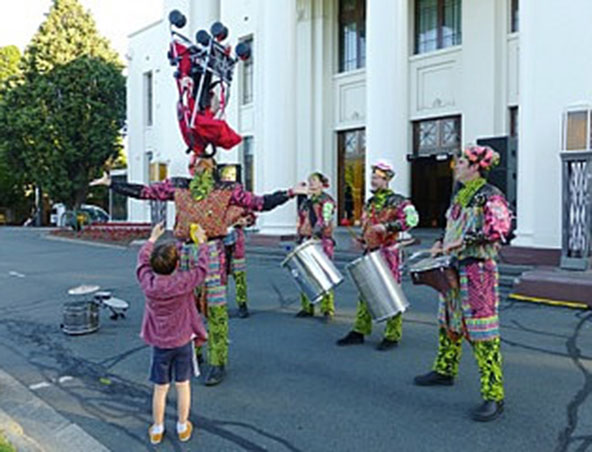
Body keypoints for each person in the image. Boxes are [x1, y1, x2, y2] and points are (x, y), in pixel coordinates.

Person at [92, 156, 306, 386]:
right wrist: (112, 183)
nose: (201, 168)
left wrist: (291, 192)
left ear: (213, 169)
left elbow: (261, 203)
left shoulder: (228, 189)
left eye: (206, 165)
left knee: (215, 309)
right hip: (184, 252)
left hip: (212, 250)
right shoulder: (179, 185)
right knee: (187, 306)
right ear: (191, 169)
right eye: (197, 165)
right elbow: (145, 192)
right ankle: (194, 351)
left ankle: (218, 360)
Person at [413, 145, 512, 422]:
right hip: (452, 267)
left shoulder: (490, 195)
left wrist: (464, 241)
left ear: (475, 167)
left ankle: (494, 395)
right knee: (447, 322)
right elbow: (451, 230)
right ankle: (445, 370)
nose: (455, 166)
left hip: (477, 270)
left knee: (483, 331)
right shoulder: (459, 196)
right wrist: (439, 243)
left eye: (460, 162)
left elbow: (500, 229)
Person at [136, 222, 208, 445]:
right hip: (183, 341)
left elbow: (141, 263)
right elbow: (203, 269)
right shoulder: (182, 282)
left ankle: (157, 428)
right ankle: (182, 425)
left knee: (160, 387)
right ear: (178, 264)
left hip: (160, 343)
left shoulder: (148, 283)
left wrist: (151, 239)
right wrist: (202, 243)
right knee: (183, 384)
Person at [337, 160, 419, 351]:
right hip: (370, 252)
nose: (373, 180)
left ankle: (392, 334)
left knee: (391, 292)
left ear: (387, 179)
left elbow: (413, 219)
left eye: (377, 177)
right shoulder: (370, 203)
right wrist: (362, 239)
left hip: (388, 253)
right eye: (372, 177)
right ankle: (360, 329)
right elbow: (368, 225)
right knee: (365, 291)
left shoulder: (399, 201)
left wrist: (388, 227)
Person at [294, 172, 337, 322]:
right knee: (305, 274)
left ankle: (327, 309)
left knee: (323, 274)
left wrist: (315, 234)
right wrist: (300, 235)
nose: (311, 183)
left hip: (321, 241)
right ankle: (307, 306)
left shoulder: (327, 201)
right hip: (306, 240)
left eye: (314, 181)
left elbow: (325, 219)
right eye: (309, 181)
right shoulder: (306, 201)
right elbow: (301, 219)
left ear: (321, 183)